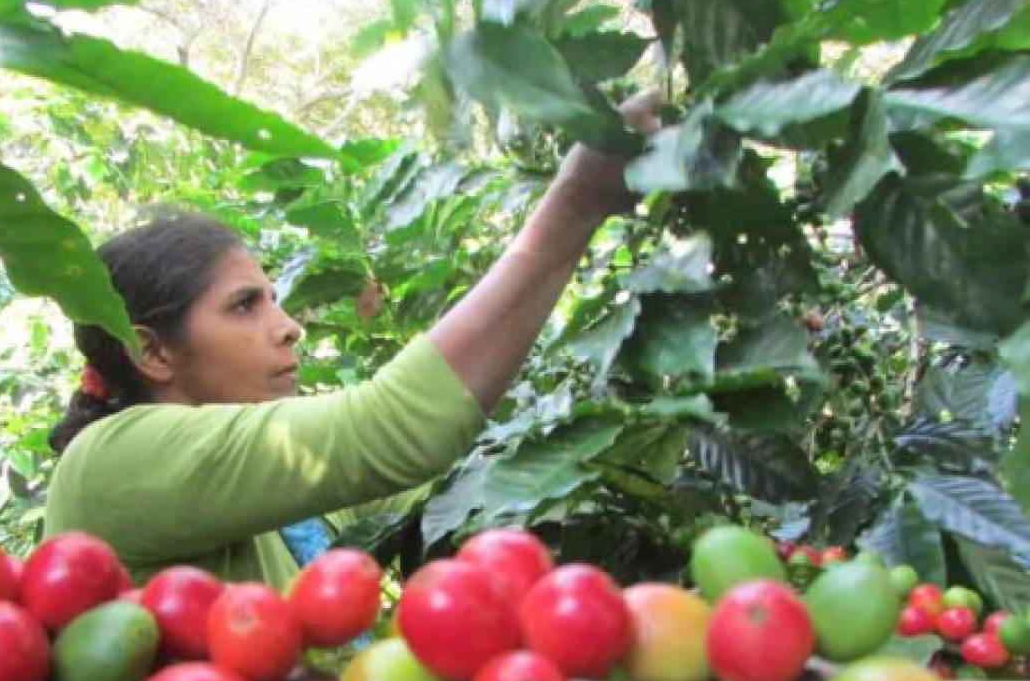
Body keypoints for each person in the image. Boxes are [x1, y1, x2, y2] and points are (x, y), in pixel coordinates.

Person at [43, 96, 661, 589]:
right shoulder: (111, 461)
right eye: (243, 306)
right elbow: (392, 430)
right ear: (151, 352)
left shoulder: (268, 500)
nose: (289, 325)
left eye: (273, 297)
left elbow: (433, 470)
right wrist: (577, 202)